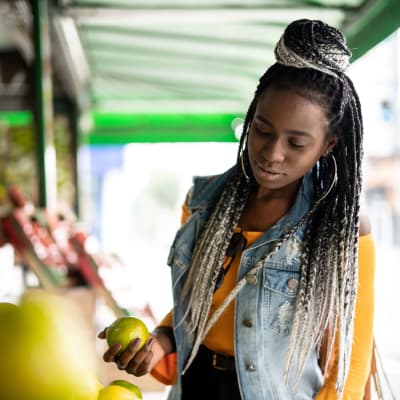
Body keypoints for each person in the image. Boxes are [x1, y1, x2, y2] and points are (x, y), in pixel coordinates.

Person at [99, 19, 375, 400]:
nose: (271, 154)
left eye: (296, 143)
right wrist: (158, 344)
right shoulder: (202, 203)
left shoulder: (340, 230)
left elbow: (350, 365)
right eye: (262, 130)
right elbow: (194, 313)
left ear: (328, 144)